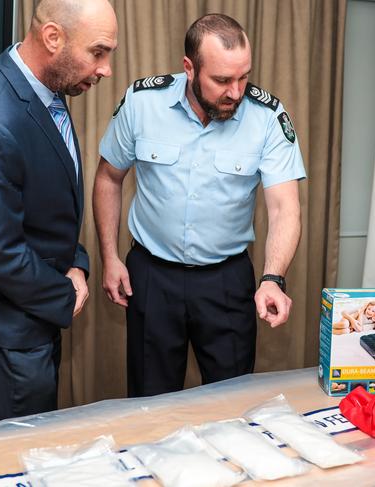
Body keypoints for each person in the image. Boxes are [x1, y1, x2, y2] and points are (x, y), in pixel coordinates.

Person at [93, 14, 305, 397]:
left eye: (244, 77)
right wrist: (110, 257)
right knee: (150, 403)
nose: (236, 92)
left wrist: (273, 278)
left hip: (225, 281)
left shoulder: (267, 117)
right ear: (189, 68)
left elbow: (284, 208)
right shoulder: (143, 103)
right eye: (222, 80)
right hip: (152, 277)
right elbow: (108, 178)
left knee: (231, 406)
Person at [0, 0, 118, 423]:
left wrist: (75, 262)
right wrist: (67, 293)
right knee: (16, 457)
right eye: (98, 52)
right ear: (53, 38)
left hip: (28, 312)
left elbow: (48, 204)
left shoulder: (43, 87)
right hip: (5, 333)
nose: (106, 69)